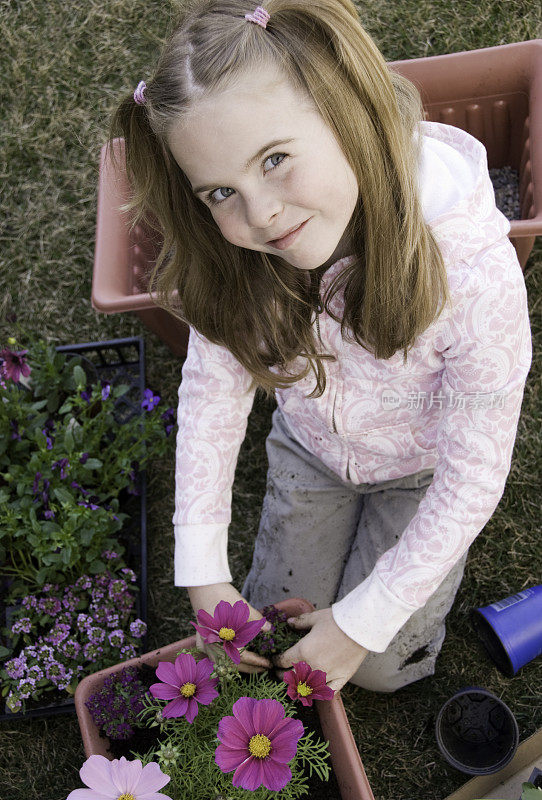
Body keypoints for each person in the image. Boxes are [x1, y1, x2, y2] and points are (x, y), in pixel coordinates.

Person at [108, 0, 532, 693]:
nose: (259, 213)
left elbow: (471, 478)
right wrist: (204, 568)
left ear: (346, 111)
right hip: (313, 447)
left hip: (421, 471)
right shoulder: (239, 256)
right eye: (220, 191)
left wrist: (368, 619)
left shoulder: (472, 272)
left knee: (381, 669)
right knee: (275, 623)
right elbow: (214, 390)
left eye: (274, 159)